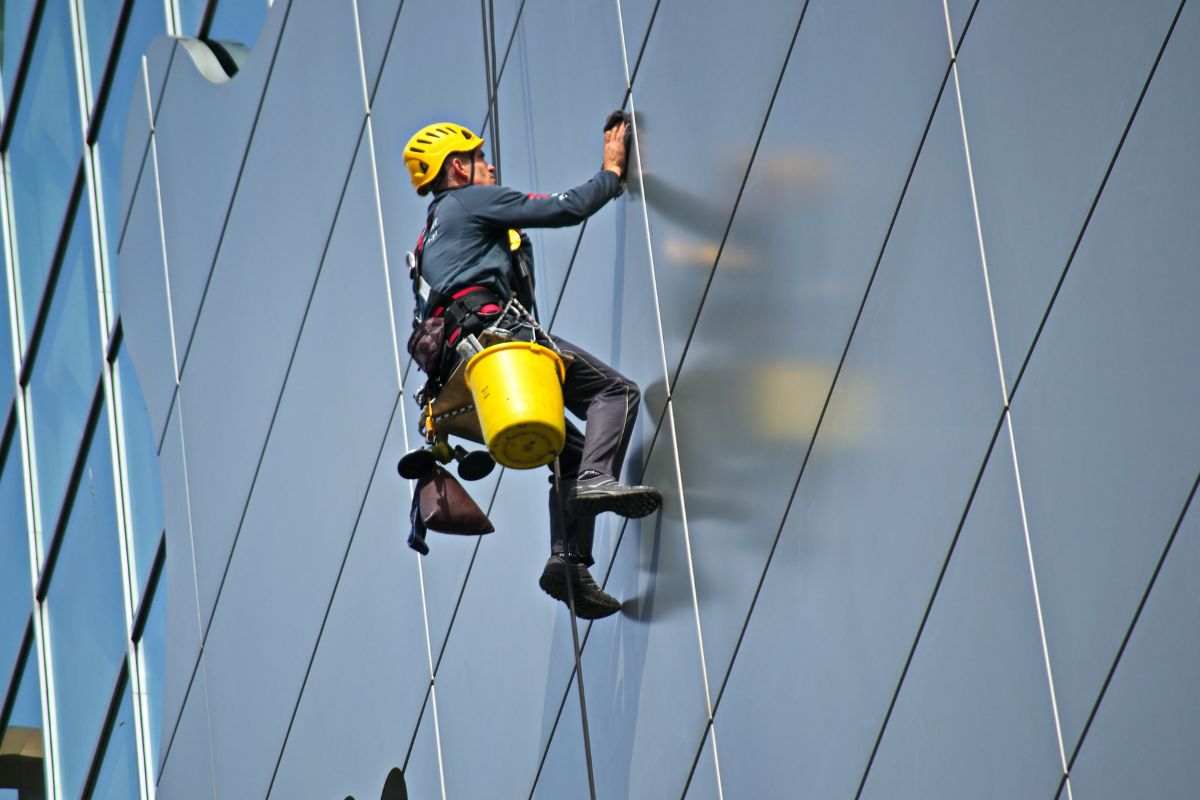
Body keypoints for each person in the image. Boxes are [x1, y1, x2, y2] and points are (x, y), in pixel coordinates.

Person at [402, 118, 660, 619]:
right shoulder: (467, 201)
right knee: (616, 393)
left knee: (571, 449)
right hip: (498, 342)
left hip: (461, 375)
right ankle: (596, 481)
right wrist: (611, 172)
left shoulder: (429, 237)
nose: (491, 165)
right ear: (458, 167)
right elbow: (565, 208)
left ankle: (568, 562)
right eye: (480, 158)